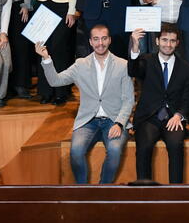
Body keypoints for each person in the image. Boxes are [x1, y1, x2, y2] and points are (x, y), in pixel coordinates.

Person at [36, 24, 135, 184]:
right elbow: (55, 81)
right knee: (75, 151)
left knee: (115, 150)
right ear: (90, 42)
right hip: (88, 120)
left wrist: (119, 123)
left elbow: (129, 99)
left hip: (113, 120)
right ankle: (83, 191)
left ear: (109, 40)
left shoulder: (123, 65)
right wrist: (46, 59)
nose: (100, 43)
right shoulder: (80, 64)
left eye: (104, 38)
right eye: (96, 39)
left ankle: (103, 190)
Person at [128, 24, 189, 184]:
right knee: (144, 147)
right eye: (164, 40)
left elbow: (187, 98)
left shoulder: (186, 67)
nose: (168, 44)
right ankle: (144, 193)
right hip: (149, 117)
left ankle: (175, 193)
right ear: (157, 41)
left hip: (173, 118)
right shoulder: (146, 60)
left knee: (176, 146)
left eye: (172, 41)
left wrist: (179, 115)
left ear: (177, 43)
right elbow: (133, 70)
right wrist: (135, 46)